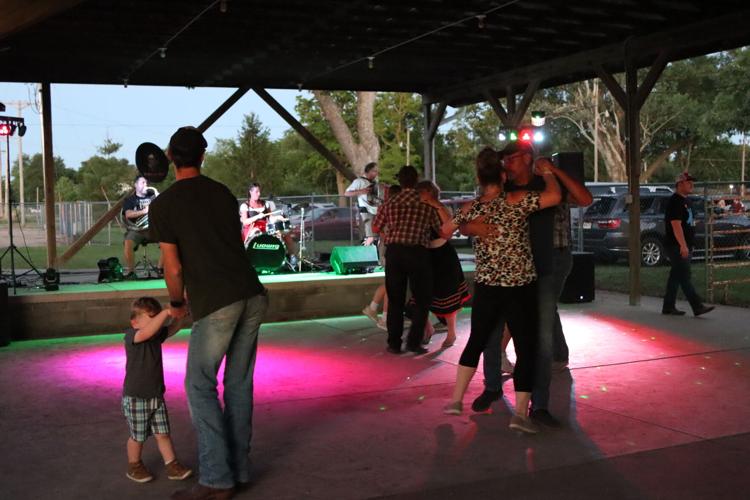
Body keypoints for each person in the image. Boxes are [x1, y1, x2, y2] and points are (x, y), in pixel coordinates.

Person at [150, 127, 269, 500]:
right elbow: (233, 244)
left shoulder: (165, 204)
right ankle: (239, 469)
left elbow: (172, 267)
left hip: (217, 301)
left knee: (199, 385)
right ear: (203, 155)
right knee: (237, 384)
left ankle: (217, 478)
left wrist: (176, 304)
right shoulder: (220, 192)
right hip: (251, 293)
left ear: (171, 157)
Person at [469, 142, 593, 428]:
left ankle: (540, 405)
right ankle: (492, 388)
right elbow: (472, 216)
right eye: (502, 159)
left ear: (527, 158)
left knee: (541, 337)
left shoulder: (548, 182)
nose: (504, 164)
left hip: (548, 264)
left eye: (509, 158)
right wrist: (475, 227)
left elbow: (585, 199)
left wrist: (554, 171)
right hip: (511, 266)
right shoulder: (502, 187)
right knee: (493, 328)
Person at [442, 147, 561, 435]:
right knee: (526, 347)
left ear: (479, 177)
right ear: (504, 175)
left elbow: (445, 229)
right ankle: (520, 413)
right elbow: (555, 197)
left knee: (478, 341)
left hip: (487, 285)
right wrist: (547, 173)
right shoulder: (517, 200)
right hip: (520, 286)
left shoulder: (473, 207)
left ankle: (457, 399)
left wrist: (469, 226)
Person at [372, 165, 441, 355]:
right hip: (418, 253)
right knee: (422, 299)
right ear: (416, 179)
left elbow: (376, 226)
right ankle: (414, 341)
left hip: (395, 253)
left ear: (400, 181)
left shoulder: (390, 202)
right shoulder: (426, 203)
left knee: (395, 299)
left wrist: (390, 233)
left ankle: (394, 343)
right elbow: (439, 227)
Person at [122, 297, 192, 484]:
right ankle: (134, 465)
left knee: (163, 433)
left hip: (156, 396)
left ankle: (172, 464)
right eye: (150, 318)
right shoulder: (132, 336)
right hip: (137, 397)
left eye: (156, 318)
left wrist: (179, 316)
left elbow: (171, 329)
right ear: (134, 321)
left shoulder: (154, 335)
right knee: (137, 436)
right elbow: (148, 331)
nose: (156, 323)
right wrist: (166, 312)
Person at [415, 180, 470, 348]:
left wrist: (436, 205)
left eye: (421, 192)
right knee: (419, 296)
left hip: (442, 256)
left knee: (447, 296)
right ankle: (428, 328)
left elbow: (449, 230)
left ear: (429, 193)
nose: (418, 195)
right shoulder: (417, 209)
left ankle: (451, 334)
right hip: (424, 255)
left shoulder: (440, 208)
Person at [662, 172, 715, 317]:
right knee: (684, 276)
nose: (692, 184)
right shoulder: (675, 201)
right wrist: (683, 245)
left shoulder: (687, 201)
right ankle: (697, 306)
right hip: (676, 245)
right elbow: (675, 225)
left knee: (676, 275)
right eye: (688, 182)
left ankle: (668, 306)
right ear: (679, 184)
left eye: (692, 182)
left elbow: (687, 222)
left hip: (685, 244)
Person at [362, 185, 401, 329]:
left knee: (389, 283)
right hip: (389, 248)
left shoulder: (386, 208)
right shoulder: (390, 208)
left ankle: (373, 308)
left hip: (387, 247)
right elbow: (376, 227)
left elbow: (376, 227)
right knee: (392, 284)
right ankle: (384, 318)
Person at [240, 183, 298, 265]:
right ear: (250, 192)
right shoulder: (245, 205)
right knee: (257, 231)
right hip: (251, 229)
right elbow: (245, 221)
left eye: (259, 191)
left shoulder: (265, 204)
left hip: (266, 227)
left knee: (285, 234)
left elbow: (270, 218)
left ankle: (292, 258)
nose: (259, 194)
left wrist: (278, 217)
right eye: (256, 192)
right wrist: (257, 217)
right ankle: (256, 259)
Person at [123, 175, 162, 279]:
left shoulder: (153, 196)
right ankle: (131, 272)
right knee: (128, 242)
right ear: (136, 185)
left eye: (146, 183)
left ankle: (160, 269)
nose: (146, 185)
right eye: (143, 183)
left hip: (152, 229)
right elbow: (128, 214)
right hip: (137, 230)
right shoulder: (131, 200)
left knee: (168, 239)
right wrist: (144, 211)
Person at [345, 162, 381, 245]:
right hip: (366, 211)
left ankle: (373, 253)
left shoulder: (375, 182)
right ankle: (364, 252)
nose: (376, 173)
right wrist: (361, 191)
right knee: (370, 236)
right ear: (368, 171)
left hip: (376, 211)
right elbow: (346, 193)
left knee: (377, 237)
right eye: (374, 171)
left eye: (377, 171)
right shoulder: (359, 181)